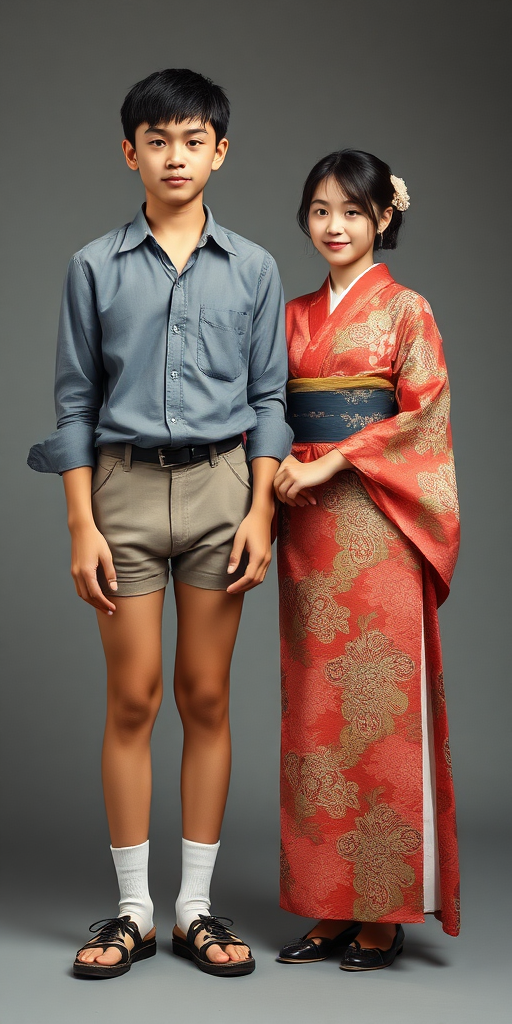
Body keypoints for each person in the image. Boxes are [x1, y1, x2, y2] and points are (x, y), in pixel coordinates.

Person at [28, 68, 292, 979]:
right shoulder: (92, 266)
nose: (173, 157)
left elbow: (268, 398)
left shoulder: (254, 267)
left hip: (224, 492)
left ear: (219, 152)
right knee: (134, 698)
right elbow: (72, 402)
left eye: (192, 141)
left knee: (206, 697)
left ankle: (196, 909)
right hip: (124, 493)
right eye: (156, 140)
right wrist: (80, 524)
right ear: (129, 150)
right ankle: (133, 910)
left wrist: (260, 509)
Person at [274, 150, 460, 971]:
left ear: (384, 218)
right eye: (320, 210)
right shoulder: (290, 313)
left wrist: (330, 459)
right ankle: (326, 905)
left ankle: (382, 910)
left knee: (379, 709)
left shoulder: (408, 311)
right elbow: (267, 408)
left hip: (378, 520)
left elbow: (423, 416)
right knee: (315, 714)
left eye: (352, 211)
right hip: (307, 525)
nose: (335, 226)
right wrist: (277, 468)